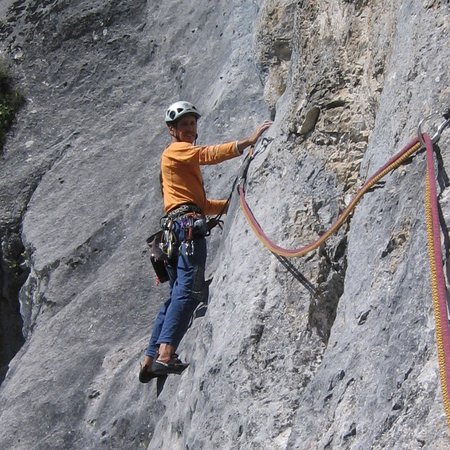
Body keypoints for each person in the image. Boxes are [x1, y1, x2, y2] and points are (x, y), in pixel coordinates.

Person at [139, 101, 272, 381]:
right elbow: (208, 154)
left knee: (175, 294)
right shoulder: (177, 151)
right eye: (184, 125)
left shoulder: (178, 162)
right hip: (185, 230)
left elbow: (199, 203)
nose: (189, 129)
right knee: (188, 290)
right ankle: (165, 355)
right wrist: (245, 143)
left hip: (176, 229)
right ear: (171, 130)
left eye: (192, 124)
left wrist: (231, 203)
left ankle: (149, 359)